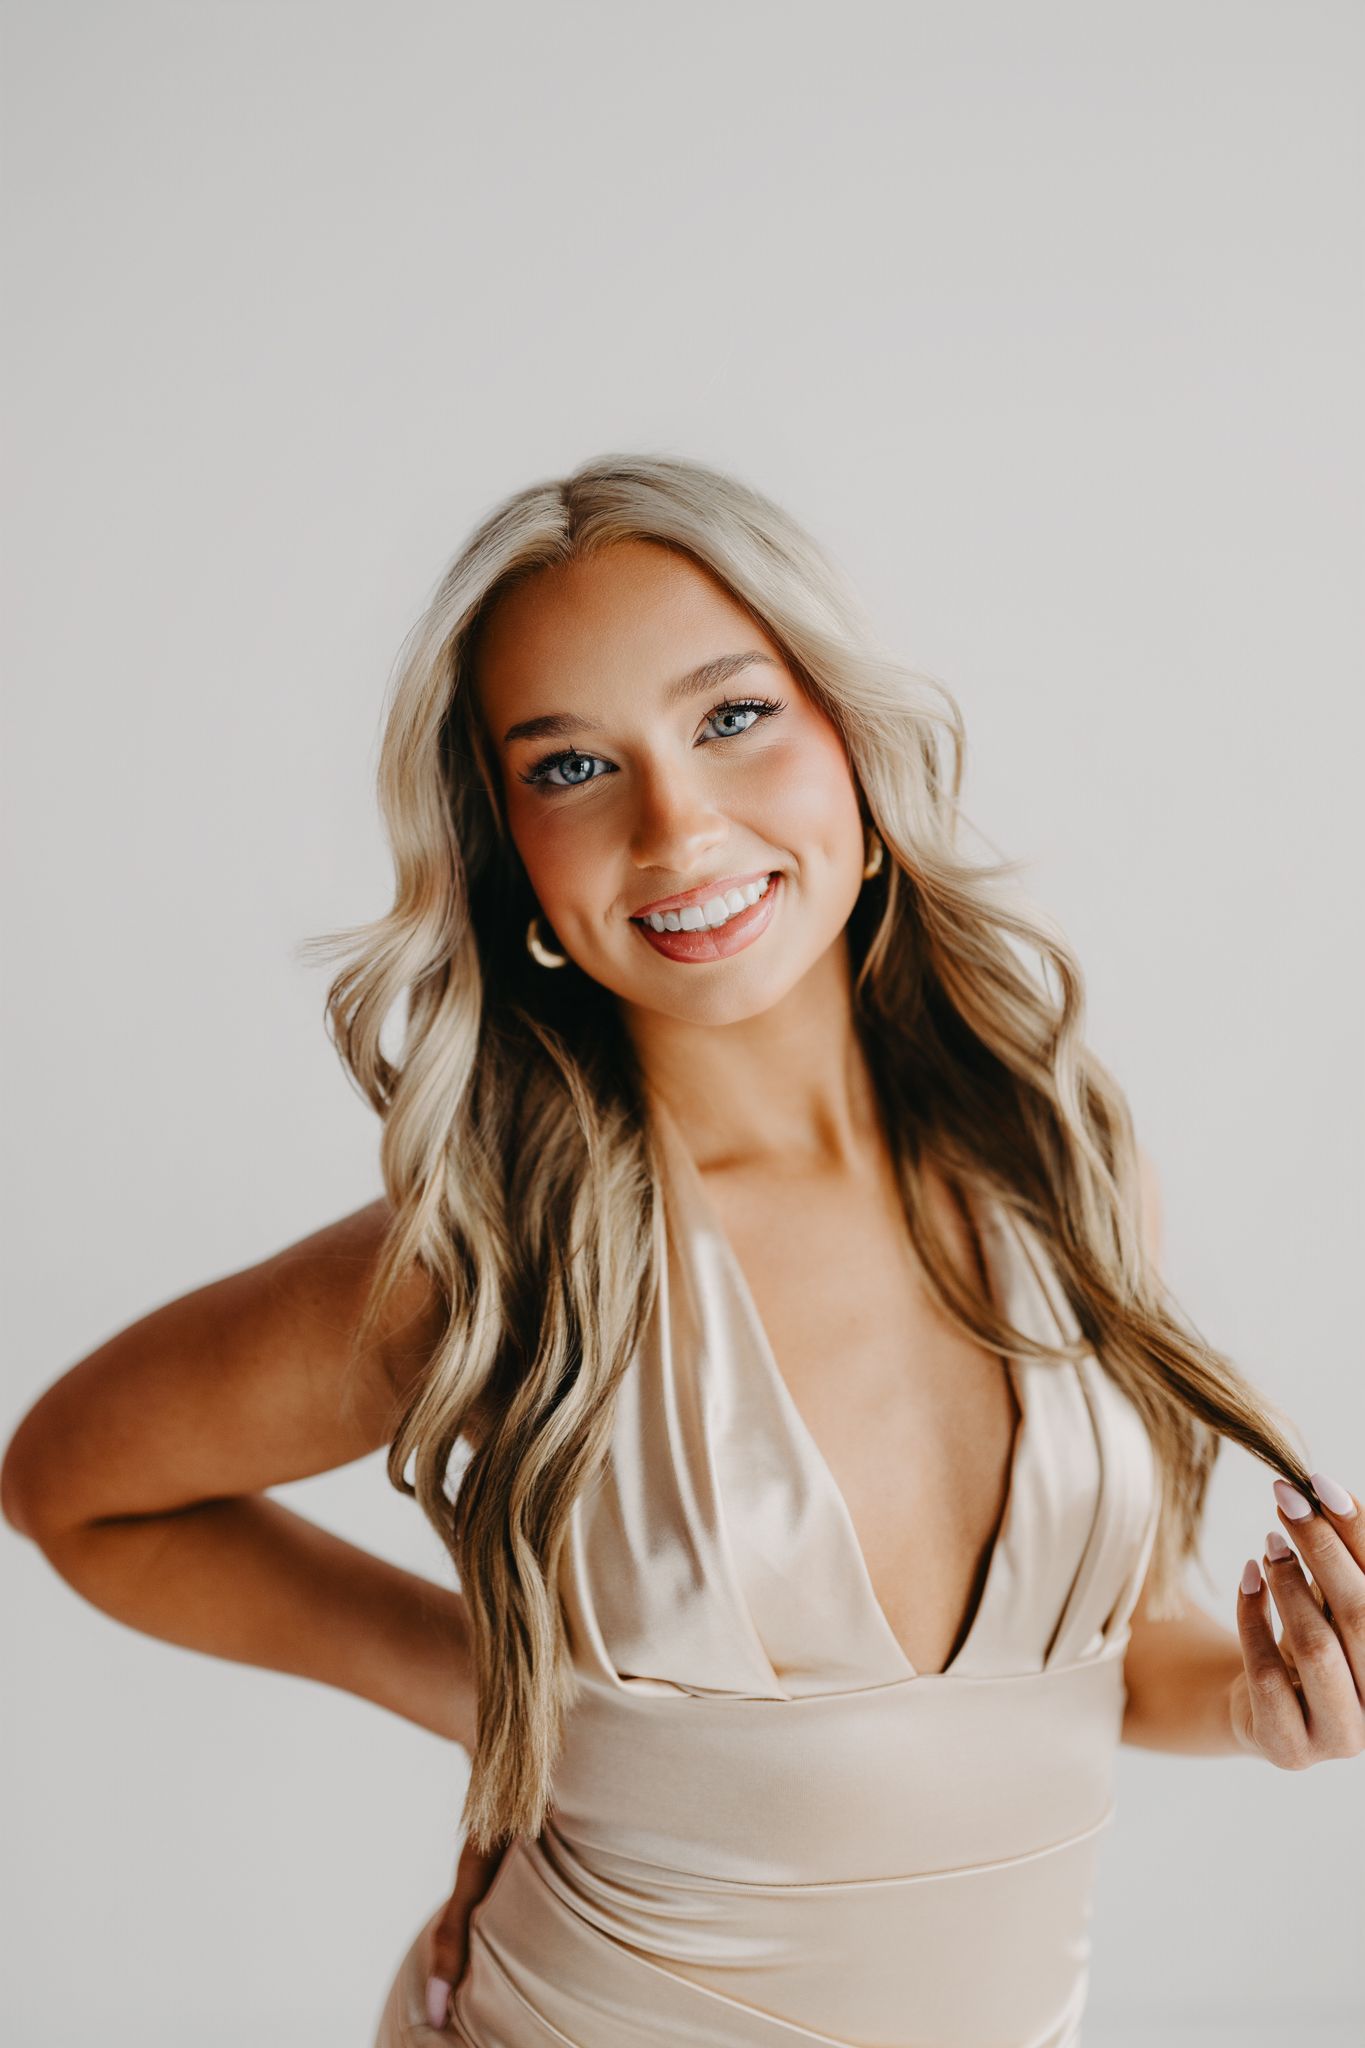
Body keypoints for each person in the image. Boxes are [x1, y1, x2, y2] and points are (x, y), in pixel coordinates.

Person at [4, 453, 1361, 2048]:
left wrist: (1277, 1705)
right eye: (570, 768)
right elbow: (72, 1482)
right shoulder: (498, 1264)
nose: (674, 823)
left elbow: (1109, 1666)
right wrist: (491, 1694)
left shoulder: (1060, 1169)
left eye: (730, 718)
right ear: (511, 861)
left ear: (849, 743)